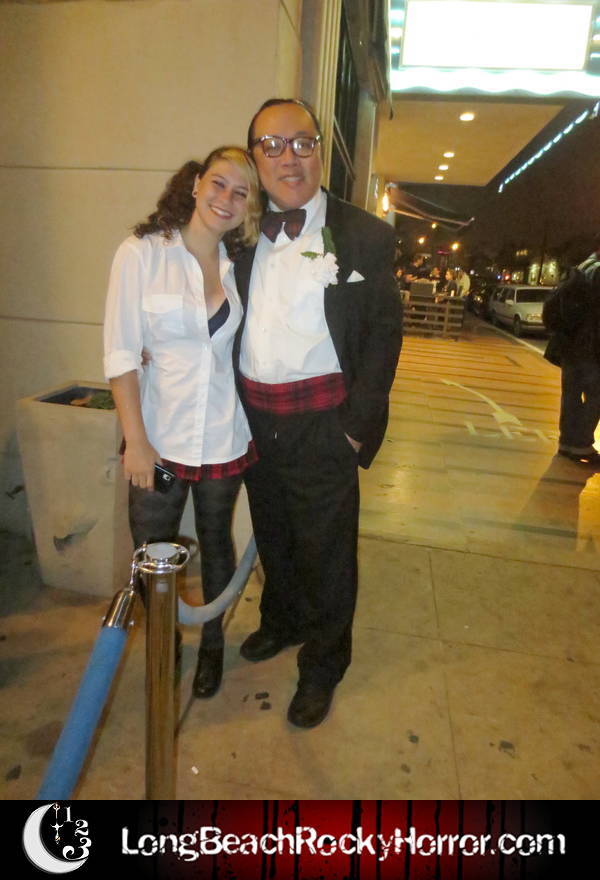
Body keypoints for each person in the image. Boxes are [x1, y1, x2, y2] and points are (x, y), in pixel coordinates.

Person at [233, 98, 403, 728]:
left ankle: (324, 663)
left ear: (320, 152)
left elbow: (384, 335)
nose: (289, 158)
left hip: (324, 423)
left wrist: (356, 427)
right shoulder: (240, 232)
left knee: (327, 552)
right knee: (274, 533)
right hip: (255, 419)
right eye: (272, 145)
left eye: (302, 143)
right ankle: (282, 620)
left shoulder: (364, 235)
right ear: (255, 158)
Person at [103, 147, 261, 699]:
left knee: (216, 544)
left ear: (248, 206)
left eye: (241, 192)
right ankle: (165, 644)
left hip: (222, 438)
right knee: (152, 551)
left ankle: (212, 647)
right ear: (196, 184)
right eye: (218, 183)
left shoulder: (241, 266)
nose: (226, 199)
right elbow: (121, 354)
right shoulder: (142, 254)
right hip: (160, 442)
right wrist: (136, 442)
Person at [546, 235, 600, 465]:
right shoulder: (598, 272)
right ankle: (581, 444)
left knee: (571, 395)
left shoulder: (581, 268)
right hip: (591, 347)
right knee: (596, 396)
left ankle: (567, 442)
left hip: (569, 343)